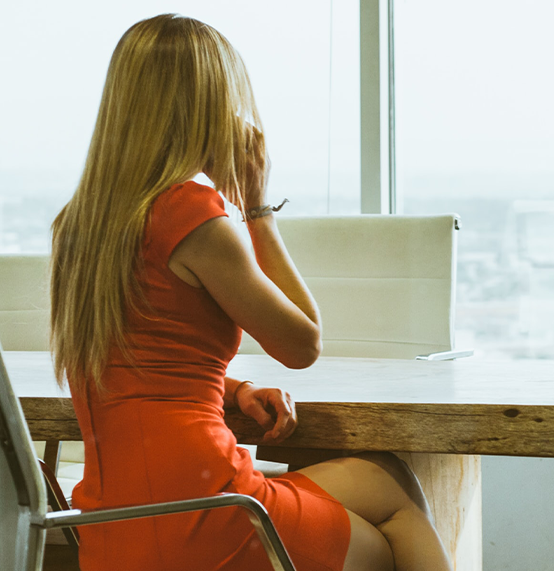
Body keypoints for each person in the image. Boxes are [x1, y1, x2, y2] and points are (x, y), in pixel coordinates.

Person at [48, 14, 451, 571]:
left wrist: (233, 388)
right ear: (212, 106)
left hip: (110, 518)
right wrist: (258, 206)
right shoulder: (193, 215)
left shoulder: (79, 223)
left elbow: (124, 364)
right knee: (386, 531)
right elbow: (302, 345)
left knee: (390, 476)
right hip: (202, 507)